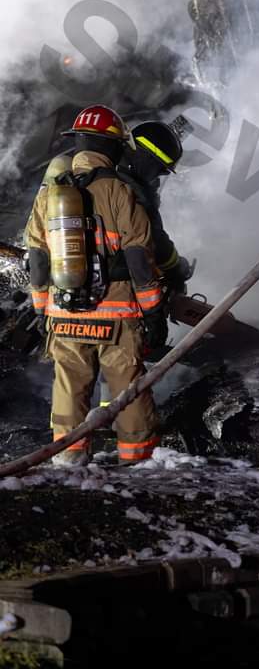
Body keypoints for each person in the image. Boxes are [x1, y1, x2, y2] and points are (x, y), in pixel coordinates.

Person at [23, 104, 164, 466]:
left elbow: (37, 259)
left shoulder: (49, 194)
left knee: (69, 390)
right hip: (116, 316)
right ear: (113, 146)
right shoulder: (120, 190)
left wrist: (42, 310)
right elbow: (139, 258)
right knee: (129, 392)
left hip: (64, 313)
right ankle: (138, 464)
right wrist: (153, 312)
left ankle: (68, 464)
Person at [115, 119, 191, 358]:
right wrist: (176, 270)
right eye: (159, 168)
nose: (158, 175)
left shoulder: (104, 177)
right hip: (116, 293)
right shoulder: (135, 193)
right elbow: (154, 241)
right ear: (144, 157)